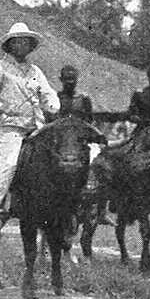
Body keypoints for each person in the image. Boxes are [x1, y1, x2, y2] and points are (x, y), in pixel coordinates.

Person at [0, 22, 60, 229]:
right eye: (17, 42)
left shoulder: (35, 71)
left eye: (26, 42)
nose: (22, 46)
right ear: (10, 45)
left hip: (37, 127)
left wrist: (53, 103)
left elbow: (47, 93)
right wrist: (2, 108)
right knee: (10, 162)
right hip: (11, 127)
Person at [57, 65, 113, 227]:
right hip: (60, 140)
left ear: (77, 80)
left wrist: (95, 136)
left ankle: (101, 210)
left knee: (100, 162)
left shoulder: (83, 99)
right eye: (66, 79)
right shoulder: (54, 98)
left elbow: (89, 121)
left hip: (80, 140)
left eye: (72, 79)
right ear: (61, 80)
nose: (70, 82)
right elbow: (49, 118)